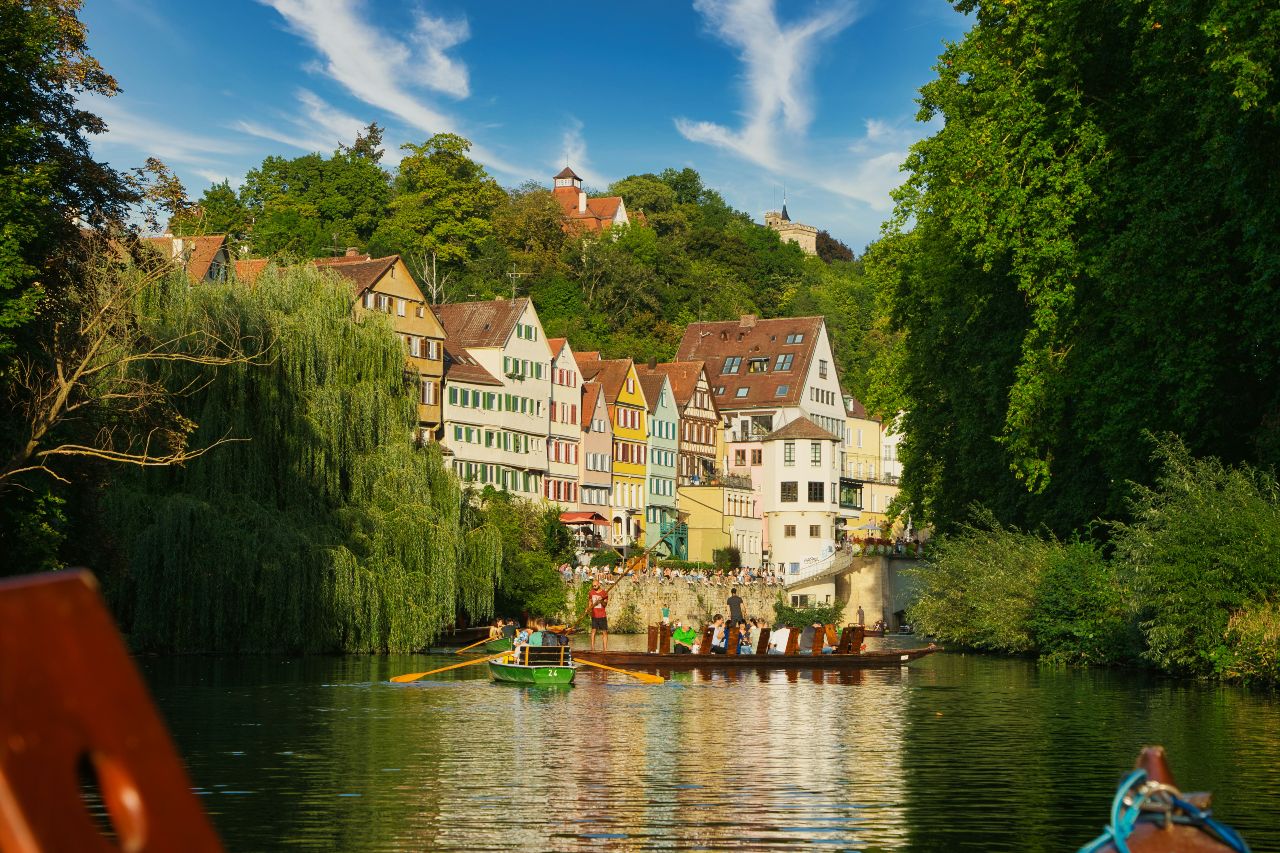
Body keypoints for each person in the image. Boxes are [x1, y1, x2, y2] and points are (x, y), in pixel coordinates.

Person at [588, 578, 610, 651]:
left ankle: (605, 649)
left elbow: (605, 605)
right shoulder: (591, 592)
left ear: (599, 584)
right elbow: (590, 601)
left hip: (602, 615)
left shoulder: (604, 593)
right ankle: (592, 648)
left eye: (595, 585)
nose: (594, 587)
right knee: (593, 631)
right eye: (593, 586)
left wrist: (601, 601)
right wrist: (589, 609)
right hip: (594, 615)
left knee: (604, 632)